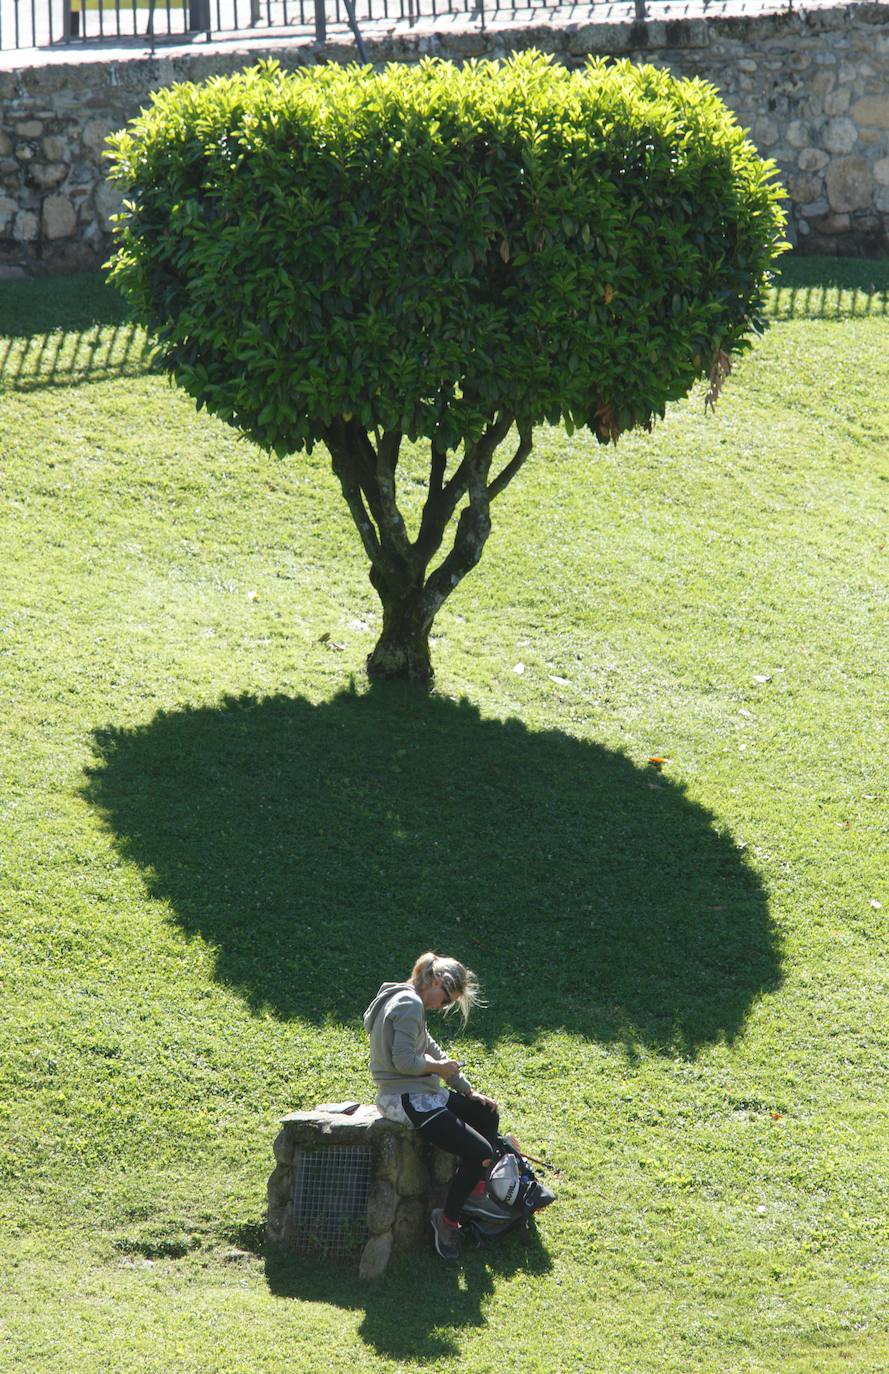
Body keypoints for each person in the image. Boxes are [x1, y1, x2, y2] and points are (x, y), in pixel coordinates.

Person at [363, 950, 503, 1260]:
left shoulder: (405, 997)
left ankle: (473, 1192)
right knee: (481, 1153)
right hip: (406, 1099)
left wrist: (468, 1091)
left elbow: (429, 1049)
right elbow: (404, 1062)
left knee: (485, 1112)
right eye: (447, 998)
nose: (444, 1006)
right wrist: (439, 1070)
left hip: (421, 1092)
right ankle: (448, 1219)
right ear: (436, 980)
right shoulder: (409, 1004)